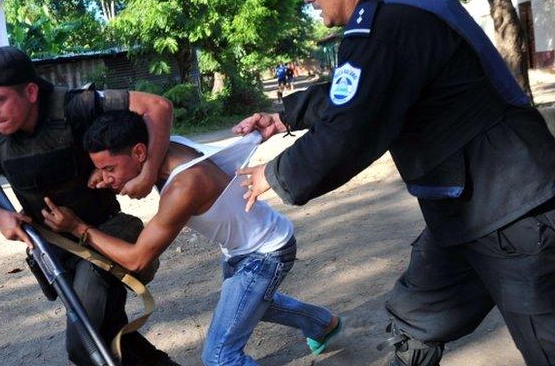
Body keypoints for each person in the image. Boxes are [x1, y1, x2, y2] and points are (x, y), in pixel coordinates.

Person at [232, 0, 555, 365]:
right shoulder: (398, 13)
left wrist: (274, 174)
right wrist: (285, 117)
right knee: (416, 317)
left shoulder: (388, 26)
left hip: (513, 210)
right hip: (465, 210)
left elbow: (353, 127)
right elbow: (357, 91)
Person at [40, 110, 343, 366]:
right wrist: (107, 177)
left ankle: (319, 324)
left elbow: (138, 258)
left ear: (139, 152)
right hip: (243, 249)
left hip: (266, 253)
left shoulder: (185, 185)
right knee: (257, 305)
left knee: (220, 357)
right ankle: (322, 324)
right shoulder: (162, 148)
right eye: (100, 169)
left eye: (109, 168)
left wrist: (79, 228)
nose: (107, 177)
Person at [0, 46, 178, 366]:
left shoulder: (74, 105)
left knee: (84, 345)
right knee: (105, 330)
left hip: (105, 237)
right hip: (57, 249)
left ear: (30, 91)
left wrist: (147, 173)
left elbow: (158, 106)